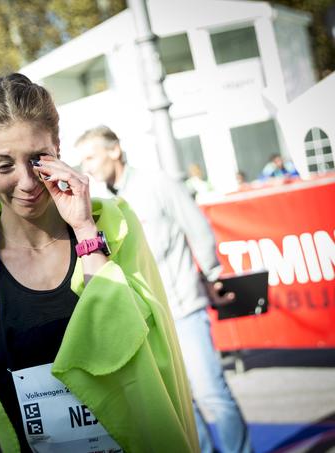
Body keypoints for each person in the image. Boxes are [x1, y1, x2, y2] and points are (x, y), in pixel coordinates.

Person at [0, 73, 198, 452]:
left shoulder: (114, 225)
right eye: (4, 166)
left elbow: (141, 350)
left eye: (38, 159)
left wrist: (85, 231)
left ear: (58, 146)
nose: (27, 182)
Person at [75, 126, 252, 453]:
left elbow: (198, 230)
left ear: (114, 150)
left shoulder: (157, 182)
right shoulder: (103, 201)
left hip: (183, 309)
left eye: (90, 155)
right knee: (180, 403)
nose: (85, 165)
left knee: (211, 394)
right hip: (146, 318)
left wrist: (212, 276)